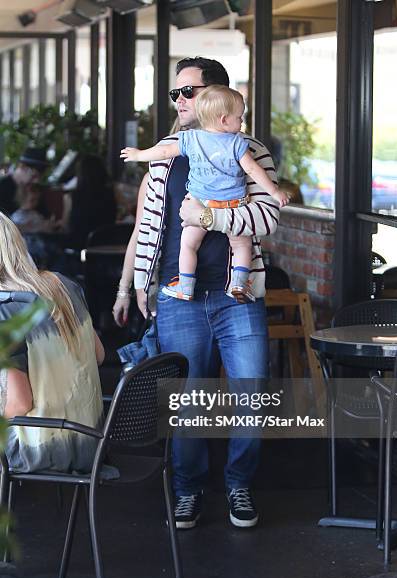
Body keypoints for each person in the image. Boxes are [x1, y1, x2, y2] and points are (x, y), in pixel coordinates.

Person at [113, 57, 280, 530]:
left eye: (190, 92)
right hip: (175, 296)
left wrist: (210, 220)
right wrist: (128, 286)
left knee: (252, 393)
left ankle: (238, 485)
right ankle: (187, 490)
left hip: (237, 294)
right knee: (189, 401)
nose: (181, 101)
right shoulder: (167, 158)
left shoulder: (248, 149)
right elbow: (144, 229)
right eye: (177, 93)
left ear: (217, 97)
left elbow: (267, 218)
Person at [121, 85, 289, 303]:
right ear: (223, 120)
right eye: (239, 117)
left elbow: (162, 152)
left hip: (200, 201)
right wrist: (274, 191)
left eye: (189, 91)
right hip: (233, 203)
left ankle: (185, 285)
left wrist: (138, 154)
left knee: (188, 244)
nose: (242, 122)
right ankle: (239, 283)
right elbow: (251, 170)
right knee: (242, 245)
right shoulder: (237, 142)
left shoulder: (191, 139)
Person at [0, 212, 107, 475]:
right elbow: (99, 355)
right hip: (92, 440)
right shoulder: (64, 285)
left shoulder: (5, 312)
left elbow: (19, 405)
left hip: (39, 450)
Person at [63, 154, 117, 251]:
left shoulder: (70, 197)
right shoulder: (111, 195)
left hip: (77, 249)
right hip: (105, 248)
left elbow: (66, 227)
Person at [0, 147, 48, 217]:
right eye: (33, 176)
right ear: (22, 167)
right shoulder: (2, 187)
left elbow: (44, 214)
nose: (36, 181)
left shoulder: (34, 188)